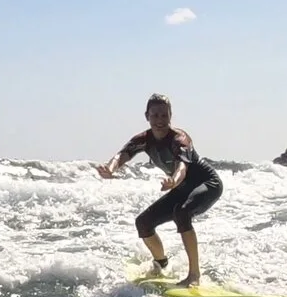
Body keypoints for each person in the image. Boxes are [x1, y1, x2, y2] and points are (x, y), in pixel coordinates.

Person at [95, 92, 222, 286]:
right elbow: (123, 154)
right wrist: (110, 169)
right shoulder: (144, 139)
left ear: (170, 116)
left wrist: (174, 181)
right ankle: (161, 264)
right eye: (155, 115)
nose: (160, 120)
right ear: (147, 116)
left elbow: (182, 167)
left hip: (207, 183)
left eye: (164, 115)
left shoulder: (180, 139)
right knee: (143, 223)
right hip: (181, 187)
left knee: (182, 212)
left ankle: (194, 275)